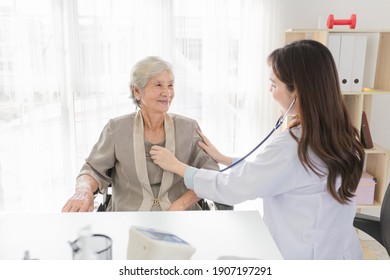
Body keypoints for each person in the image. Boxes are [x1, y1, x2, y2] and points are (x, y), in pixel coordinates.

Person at [150, 40, 365, 259]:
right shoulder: (343, 135)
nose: (269, 91)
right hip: (341, 253)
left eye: (273, 85)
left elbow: (232, 188)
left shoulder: (292, 148)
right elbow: (279, 174)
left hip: (301, 258)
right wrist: (226, 158)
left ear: (297, 92)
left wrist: (178, 167)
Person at [62, 56, 227, 212]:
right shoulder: (116, 129)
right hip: (127, 218)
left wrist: (181, 205)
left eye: (170, 85)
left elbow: (210, 175)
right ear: (137, 91)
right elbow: (92, 170)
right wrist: (83, 190)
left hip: (180, 218)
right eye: (158, 85)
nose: (167, 93)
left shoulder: (189, 128)